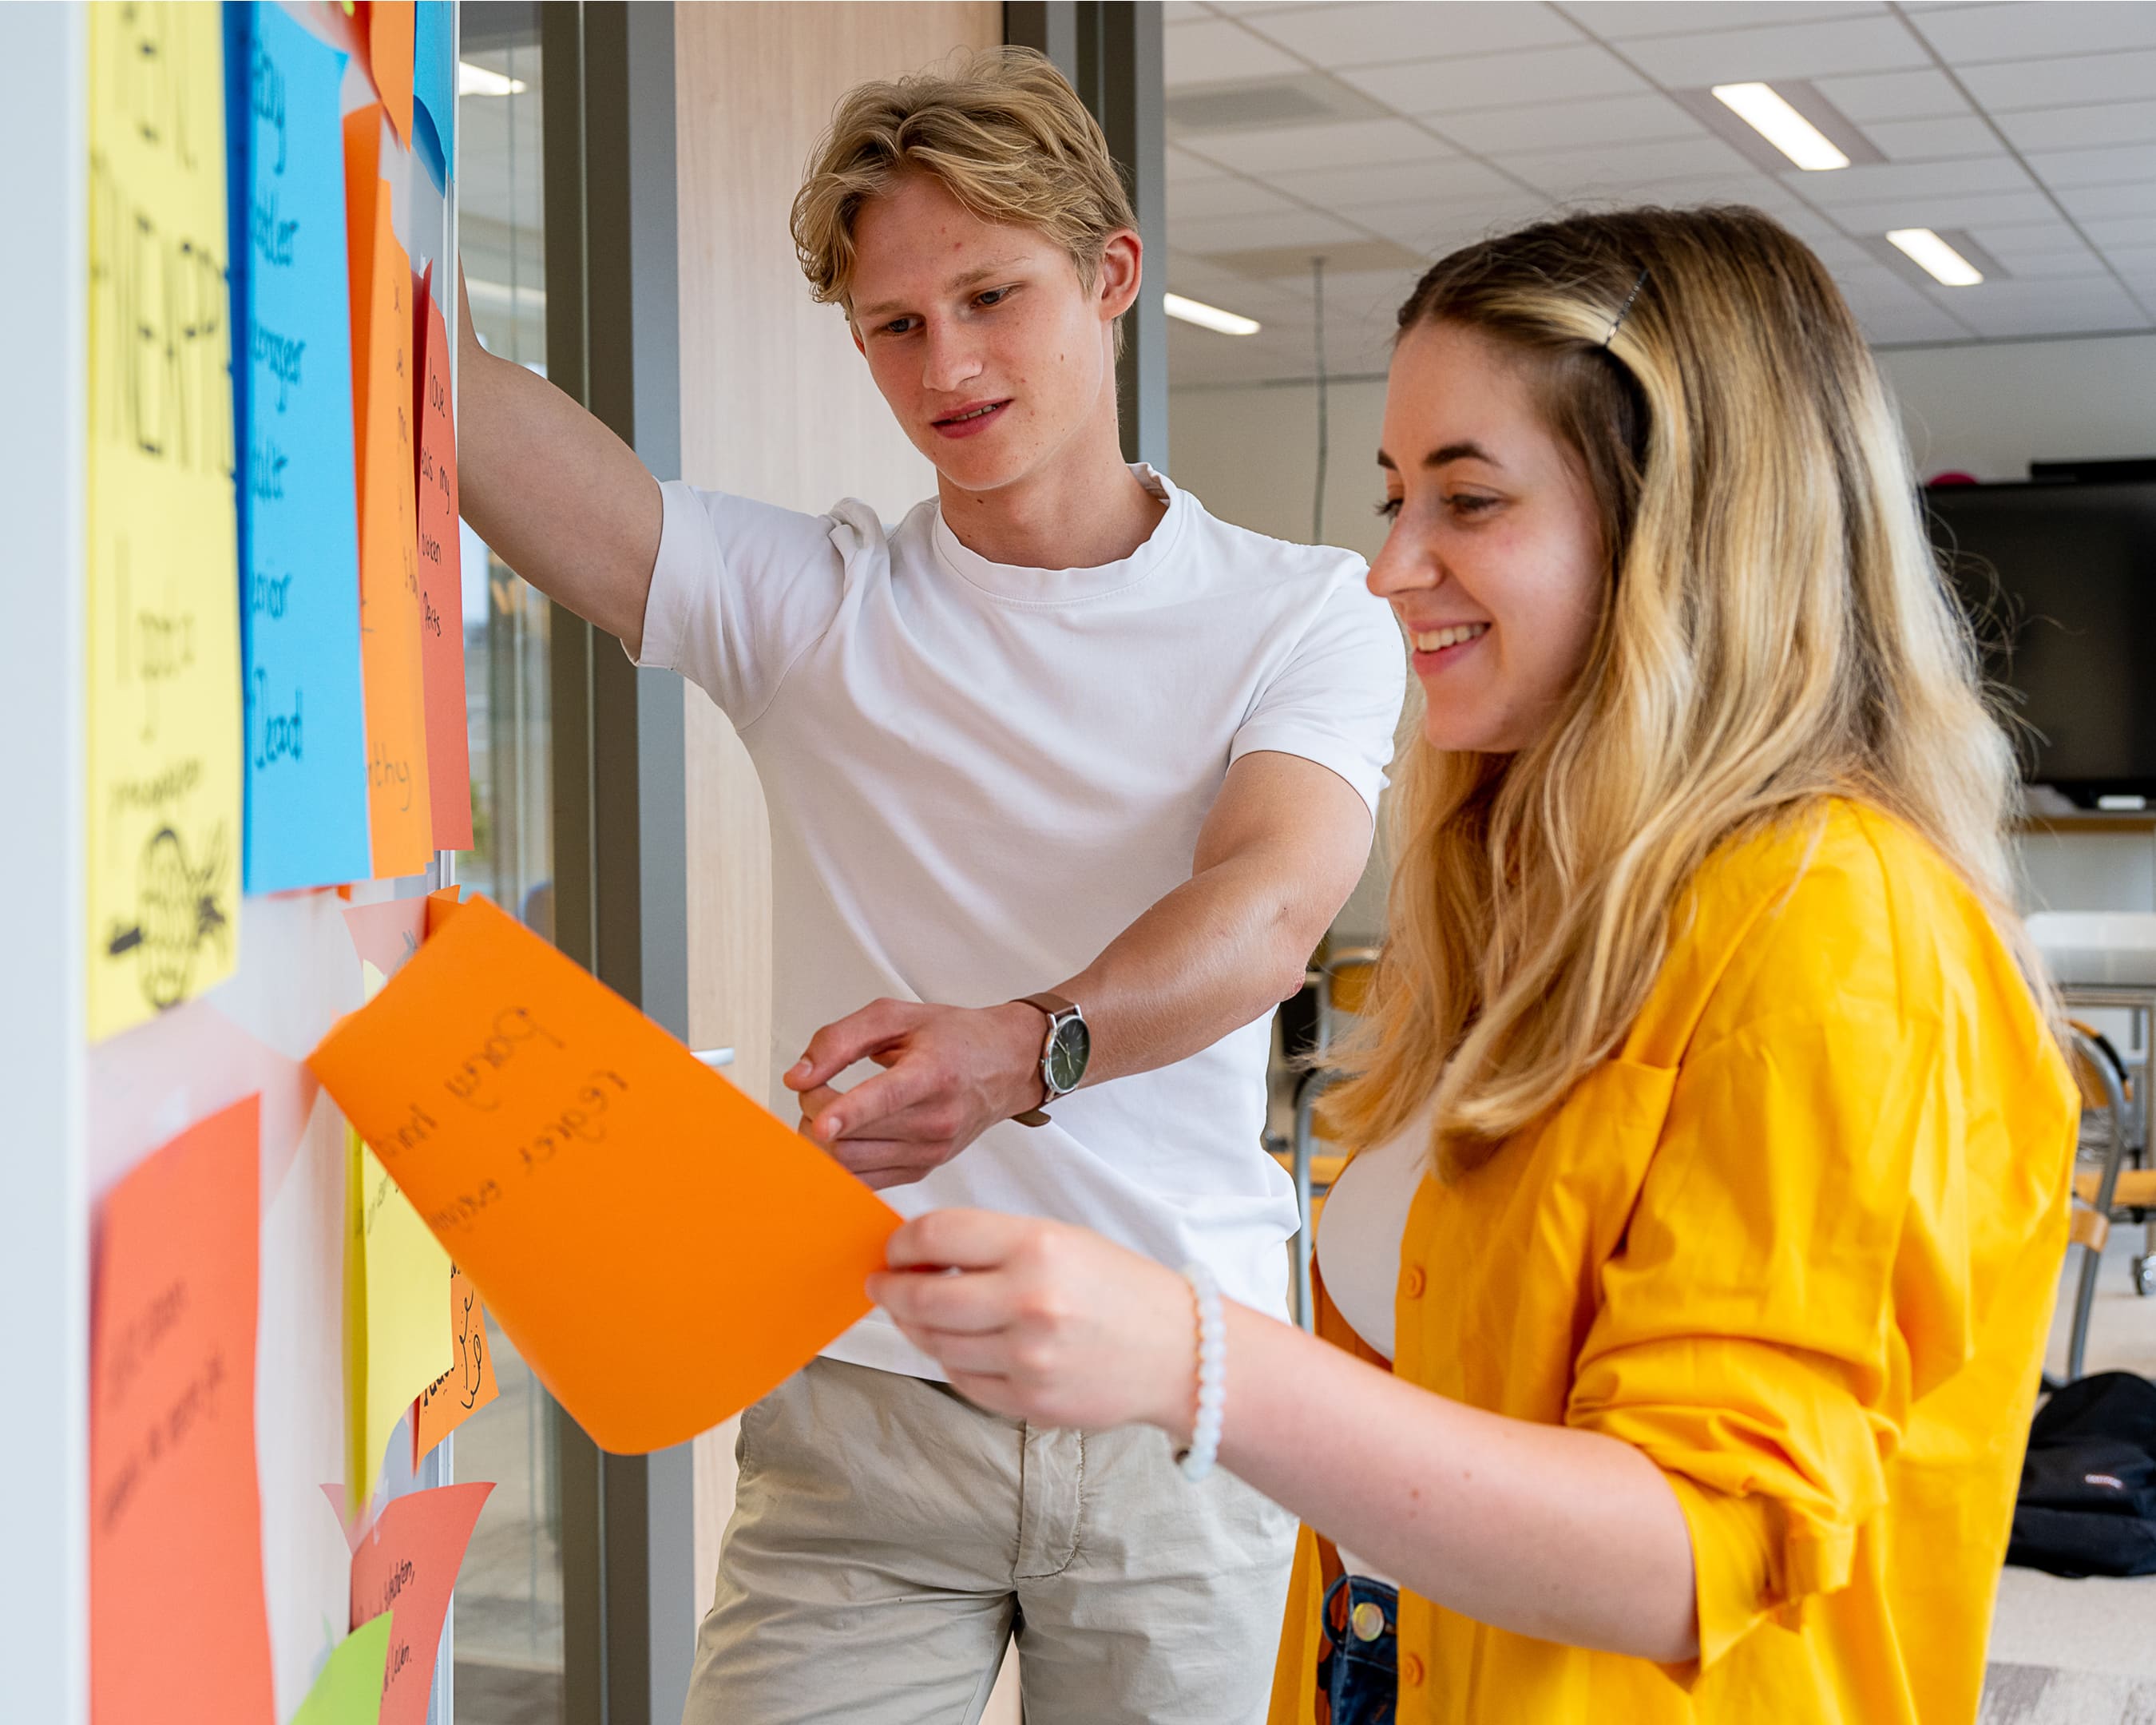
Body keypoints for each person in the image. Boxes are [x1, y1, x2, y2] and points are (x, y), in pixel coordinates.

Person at [872, 205, 2080, 1725]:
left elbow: (1687, 1551)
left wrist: (1191, 1358)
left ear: (1681, 530)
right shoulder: (1548, 890)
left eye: (1470, 501)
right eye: (1395, 494)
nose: (1391, 567)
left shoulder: (1840, 924)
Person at [455, 46, 1405, 1725]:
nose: (948, 364)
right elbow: (479, 427)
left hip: (1176, 1398)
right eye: (896, 324)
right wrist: (363, 235)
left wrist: (1016, 1047)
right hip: (864, 1408)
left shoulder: (1300, 612)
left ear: (1110, 276)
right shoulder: (813, 608)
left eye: (991, 296)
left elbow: (1267, 910)